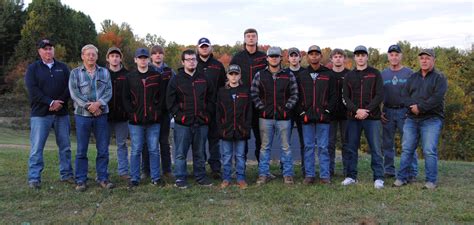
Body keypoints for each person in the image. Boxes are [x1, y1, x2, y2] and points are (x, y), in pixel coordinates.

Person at [394, 49, 447, 189]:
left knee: (429, 150)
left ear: (433, 60)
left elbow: (436, 98)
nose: (424, 60)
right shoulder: (413, 77)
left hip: (431, 119)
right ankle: (402, 178)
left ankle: (431, 181)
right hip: (412, 119)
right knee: (407, 149)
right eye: (422, 58)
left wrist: (420, 107)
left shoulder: (439, 78)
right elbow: (404, 94)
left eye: (427, 58)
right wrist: (412, 106)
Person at [25, 39, 73, 189]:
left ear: (53, 50)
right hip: (40, 114)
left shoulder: (63, 68)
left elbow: (70, 87)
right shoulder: (33, 69)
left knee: (65, 146)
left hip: (62, 113)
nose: (48, 51)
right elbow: (33, 91)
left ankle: (66, 175)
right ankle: (34, 178)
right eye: (44, 49)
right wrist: (50, 102)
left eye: (50, 48)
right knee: (37, 147)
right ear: (40, 52)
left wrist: (60, 102)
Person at [166, 49, 215, 188]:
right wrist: (178, 115)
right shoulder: (176, 79)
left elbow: (212, 98)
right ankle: (180, 178)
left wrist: (207, 115)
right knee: (181, 153)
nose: (191, 62)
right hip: (183, 123)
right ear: (183, 62)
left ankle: (200, 176)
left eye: (193, 59)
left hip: (201, 122)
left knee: (200, 152)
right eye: (188, 59)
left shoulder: (204, 78)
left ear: (196, 60)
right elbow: (170, 100)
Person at [250, 46, 299, 185]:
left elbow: (295, 95)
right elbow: (254, 94)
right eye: (271, 56)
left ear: (280, 58)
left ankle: (288, 174)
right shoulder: (260, 75)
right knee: (265, 147)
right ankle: (263, 174)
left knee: (286, 147)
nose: (274, 58)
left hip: (284, 118)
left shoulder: (288, 75)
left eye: (276, 56)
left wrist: (286, 109)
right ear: (267, 58)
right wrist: (262, 109)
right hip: (265, 118)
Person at [69, 44, 113, 191]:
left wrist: (98, 104)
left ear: (97, 56)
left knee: (103, 149)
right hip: (82, 116)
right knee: (81, 149)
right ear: (83, 56)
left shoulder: (105, 73)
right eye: (88, 54)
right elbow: (74, 93)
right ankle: (81, 180)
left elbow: (108, 91)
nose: (91, 57)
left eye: (93, 54)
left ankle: (103, 178)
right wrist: (90, 106)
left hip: (101, 115)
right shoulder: (75, 73)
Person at [342, 45, 385, 189]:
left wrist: (366, 110)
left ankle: (378, 177)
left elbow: (380, 95)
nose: (360, 57)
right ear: (354, 58)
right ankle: (351, 176)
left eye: (363, 55)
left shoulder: (375, 73)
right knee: (351, 148)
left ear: (367, 57)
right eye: (357, 55)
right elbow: (345, 97)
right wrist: (357, 110)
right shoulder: (349, 75)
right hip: (353, 117)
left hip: (372, 117)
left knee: (376, 148)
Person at [122, 48, 165, 188]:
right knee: (136, 150)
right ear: (135, 60)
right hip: (136, 121)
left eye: (145, 57)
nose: (143, 60)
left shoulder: (156, 76)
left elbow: (162, 97)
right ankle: (134, 178)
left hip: (153, 120)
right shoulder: (130, 77)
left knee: (153, 149)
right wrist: (131, 113)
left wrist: (157, 112)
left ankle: (156, 177)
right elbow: (125, 98)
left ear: (148, 59)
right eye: (140, 58)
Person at [295, 45, 335, 184]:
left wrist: (327, 112)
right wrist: (302, 113)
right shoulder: (302, 75)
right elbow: (297, 96)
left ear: (320, 56)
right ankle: (309, 175)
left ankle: (325, 175)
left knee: (323, 147)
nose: (314, 56)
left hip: (323, 117)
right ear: (307, 57)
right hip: (307, 117)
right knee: (308, 147)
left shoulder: (328, 74)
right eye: (311, 54)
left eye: (316, 54)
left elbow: (333, 96)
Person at [381, 44, 418, 180]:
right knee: (387, 143)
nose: (394, 57)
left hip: (405, 111)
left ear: (401, 56)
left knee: (408, 143)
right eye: (391, 54)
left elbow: (416, 93)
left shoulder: (409, 73)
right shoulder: (383, 74)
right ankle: (389, 170)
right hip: (388, 111)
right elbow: (378, 94)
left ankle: (412, 172)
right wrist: (380, 111)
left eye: (397, 54)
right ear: (388, 56)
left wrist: (411, 109)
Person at [230, 28, 267, 162]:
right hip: (242, 103)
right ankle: (241, 168)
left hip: (260, 102)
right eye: (248, 36)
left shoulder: (263, 57)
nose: (251, 38)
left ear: (257, 38)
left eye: (253, 36)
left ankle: (263, 169)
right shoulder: (237, 57)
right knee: (242, 136)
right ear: (244, 39)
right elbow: (230, 78)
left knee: (261, 137)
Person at [141, 45, 176, 179]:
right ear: (151, 56)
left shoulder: (169, 71)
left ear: (163, 55)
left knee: (164, 142)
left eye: (160, 53)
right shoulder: (146, 70)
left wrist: (172, 109)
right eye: (154, 53)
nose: (157, 55)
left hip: (165, 112)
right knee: (148, 142)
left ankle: (167, 170)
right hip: (149, 112)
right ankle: (146, 170)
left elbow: (175, 90)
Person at [216, 64, 251, 189]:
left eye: (236, 74)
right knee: (227, 156)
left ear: (240, 75)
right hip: (227, 129)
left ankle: (241, 178)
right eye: (231, 74)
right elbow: (218, 112)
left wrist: (246, 127)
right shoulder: (222, 92)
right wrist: (221, 127)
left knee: (240, 155)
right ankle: (226, 178)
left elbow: (249, 111)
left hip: (241, 129)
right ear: (227, 76)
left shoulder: (245, 91)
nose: (234, 76)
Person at [196, 37, 226, 179]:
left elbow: (223, 87)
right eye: (202, 46)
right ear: (198, 48)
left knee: (214, 140)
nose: (204, 48)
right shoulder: (193, 64)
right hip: (199, 109)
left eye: (206, 46)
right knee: (200, 141)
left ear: (210, 48)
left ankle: (215, 168)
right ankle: (200, 168)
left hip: (214, 108)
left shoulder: (218, 66)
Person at [105, 46, 130, 180]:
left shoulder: (127, 74)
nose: (114, 58)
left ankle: (123, 171)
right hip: (105, 115)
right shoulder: (102, 73)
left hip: (122, 116)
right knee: (104, 145)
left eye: (117, 56)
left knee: (122, 144)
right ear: (108, 58)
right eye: (112, 56)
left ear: (120, 58)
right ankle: (103, 171)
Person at [328, 48, 350, 176]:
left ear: (344, 59)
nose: (338, 59)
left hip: (346, 114)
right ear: (331, 59)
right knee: (329, 144)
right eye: (335, 56)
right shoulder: (327, 74)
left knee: (346, 143)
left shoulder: (349, 74)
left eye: (340, 56)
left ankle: (347, 170)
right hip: (330, 115)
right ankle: (330, 170)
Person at [287, 47, 306, 175]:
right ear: (288, 58)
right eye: (291, 55)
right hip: (288, 110)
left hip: (303, 111)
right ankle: (286, 169)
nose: (294, 58)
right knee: (285, 142)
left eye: (296, 55)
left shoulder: (305, 72)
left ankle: (306, 168)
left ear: (300, 57)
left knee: (304, 141)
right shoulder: (284, 72)